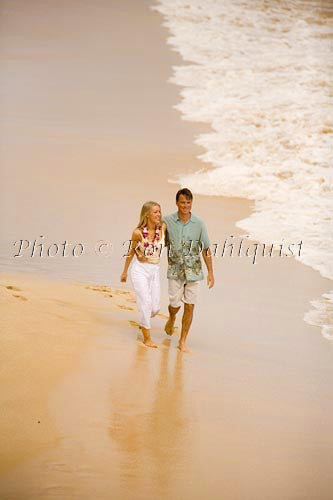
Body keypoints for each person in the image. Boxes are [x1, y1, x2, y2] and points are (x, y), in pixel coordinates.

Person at [163, 188, 214, 352]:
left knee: (190, 306)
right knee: (174, 304)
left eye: (188, 202)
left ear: (192, 203)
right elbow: (157, 239)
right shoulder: (167, 221)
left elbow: (206, 249)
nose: (185, 205)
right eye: (182, 202)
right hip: (175, 270)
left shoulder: (199, 224)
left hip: (194, 272)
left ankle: (182, 341)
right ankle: (171, 318)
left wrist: (211, 273)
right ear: (176, 203)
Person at [120, 201, 166, 348]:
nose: (158, 214)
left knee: (155, 308)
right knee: (146, 302)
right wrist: (125, 271)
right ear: (147, 214)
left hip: (155, 270)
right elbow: (131, 251)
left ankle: (143, 320)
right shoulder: (137, 233)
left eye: (159, 211)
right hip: (140, 270)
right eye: (155, 212)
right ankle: (147, 338)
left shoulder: (163, 228)